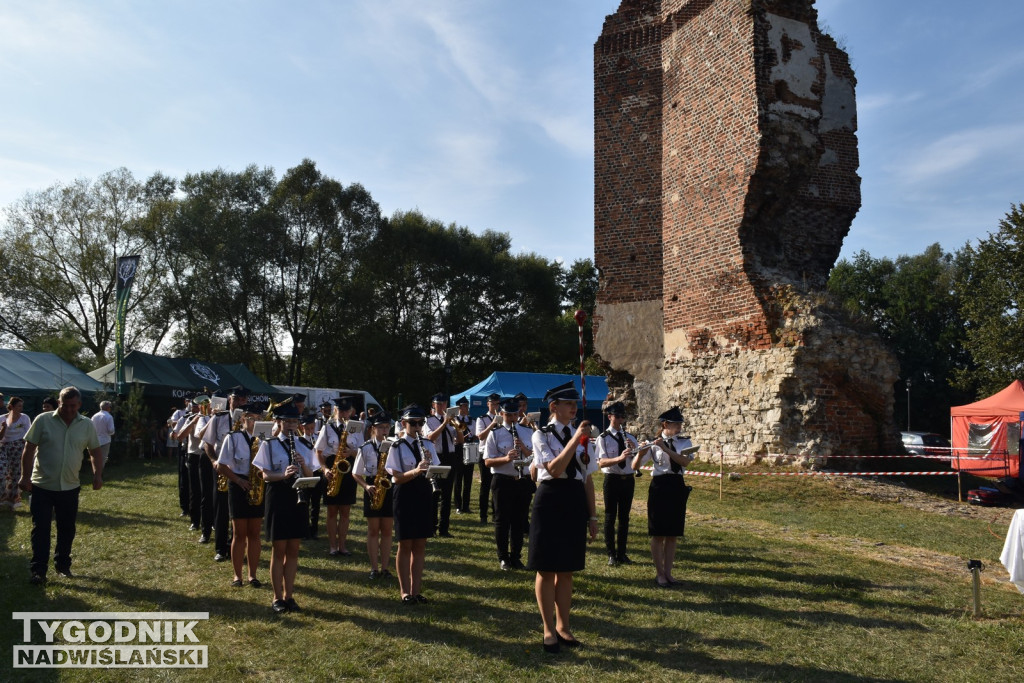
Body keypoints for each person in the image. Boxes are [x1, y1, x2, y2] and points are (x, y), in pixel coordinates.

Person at [529, 381, 598, 653]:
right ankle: (548, 628)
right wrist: (575, 439)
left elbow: (588, 479)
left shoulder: (583, 437)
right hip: (549, 498)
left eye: (575, 404)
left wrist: (592, 517)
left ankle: (564, 626)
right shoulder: (541, 435)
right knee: (546, 568)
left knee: (567, 569)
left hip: (573, 500)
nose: (574, 408)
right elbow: (555, 469)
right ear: (554, 407)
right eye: (568, 404)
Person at [19, 386, 103, 584]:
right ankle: (39, 570)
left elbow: (95, 452)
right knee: (40, 529)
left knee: (67, 529)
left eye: (73, 406)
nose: (69, 410)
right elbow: (29, 449)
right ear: (59, 403)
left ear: (80, 405)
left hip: (70, 487)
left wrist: (97, 475)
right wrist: (24, 477)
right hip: (42, 485)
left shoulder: (87, 425)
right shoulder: (43, 420)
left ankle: (63, 565)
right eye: (65, 405)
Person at [253, 402, 316, 613]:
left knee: (294, 549)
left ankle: (290, 595)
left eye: (294, 421)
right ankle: (277, 597)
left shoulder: (304, 445)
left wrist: (303, 464)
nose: (291, 425)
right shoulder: (269, 444)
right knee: (279, 550)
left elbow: (311, 475)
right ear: (278, 423)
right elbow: (265, 475)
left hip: (298, 498)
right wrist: (283, 475)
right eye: (287, 421)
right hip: (278, 497)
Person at [631, 407, 695, 589]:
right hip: (659, 486)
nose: (680, 426)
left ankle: (669, 573)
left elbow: (684, 462)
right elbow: (635, 466)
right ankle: (659, 574)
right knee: (658, 533)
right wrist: (642, 453)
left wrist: (665, 448)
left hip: (676, 485)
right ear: (665, 424)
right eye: (676, 423)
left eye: (680, 423)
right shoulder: (653, 443)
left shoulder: (684, 442)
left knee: (673, 533)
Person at [386, 404, 439, 604]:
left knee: (420, 544)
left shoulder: (428, 444)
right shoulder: (396, 446)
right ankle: (405, 591)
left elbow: (436, 467)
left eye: (420, 423)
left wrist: (432, 470)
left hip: (423, 493)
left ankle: (416, 590)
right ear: (404, 423)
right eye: (413, 423)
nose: (417, 427)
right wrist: (416, 471)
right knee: (405, 543)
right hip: (405, 494)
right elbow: (396, 478)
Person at [216, 403, 265, 588]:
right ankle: (237, 576)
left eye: (258, 418)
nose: (255, 421)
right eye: (251, 417)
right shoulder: (234, 437)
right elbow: (221, 466)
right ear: (243, 419)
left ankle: (252, 575)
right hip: (239, 484)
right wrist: (238, 480)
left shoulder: (264, 438)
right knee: (239, 533)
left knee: (255, 533)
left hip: (257, 484)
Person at [483, 398, 534, 570]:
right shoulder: (495, 433)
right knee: (502, 520)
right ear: (501, 414)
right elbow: (487, 462)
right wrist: (506, 458)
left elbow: (535, 458)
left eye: (514, 414)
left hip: (522, 480)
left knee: (519, 520)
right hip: (502, 481)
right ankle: (503, 557)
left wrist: (524, 449)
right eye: (508, 415)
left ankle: (516, 556)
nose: (512, 418)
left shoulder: (528, 431)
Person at [203, 387, 249, 562]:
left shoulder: (249, 420)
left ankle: (235, 548)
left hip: (241, 470)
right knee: (221, 509)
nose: (239, 403)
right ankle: (221, 548)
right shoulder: (219, 417)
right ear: (229, 399)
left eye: (243, 400)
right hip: (222, 469)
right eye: (236, 399)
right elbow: (207, 443)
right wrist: (214, 460)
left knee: (239, 512)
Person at [596, 401, 640, 566]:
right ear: (610, 417)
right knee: (610, 516)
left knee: (624, 518)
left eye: (623, 416)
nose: (621, 420)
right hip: (612, 479)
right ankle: (611, 554)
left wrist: (636, 451)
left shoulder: (630, 438)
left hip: (628, 480)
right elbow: (601, 462)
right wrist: (620, 458)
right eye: (618, 416)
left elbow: (637, 461)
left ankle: (622, 553)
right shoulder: (603, 438)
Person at [352, 412, 394, 579]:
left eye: (387, 427)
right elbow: (355, 473)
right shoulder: (366, 447)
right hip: (373, 487)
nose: (384, 430)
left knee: (387, 530)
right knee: (373, 530)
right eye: (381, 427)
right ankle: (374, 568)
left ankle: (385, 567)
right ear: (373, 429)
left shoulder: (394, 446)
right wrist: (366, 485)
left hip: (388, 486)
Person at [315, 398, 360, 555]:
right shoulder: (327, 428)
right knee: (332, 511)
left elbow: (362, 451)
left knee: (345, 511)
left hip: (348, 467)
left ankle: (342, 545)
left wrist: (351, 452)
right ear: (336, 411)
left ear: (351, 411)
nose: (344, 414)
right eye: (341, 411)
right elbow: (319, 452)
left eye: (347, 411)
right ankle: (333, 546)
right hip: (332, 467)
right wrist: (324, 469)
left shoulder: (356, 427)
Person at [423, 393, 462, 537]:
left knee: (447, 494)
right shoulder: (429, 420)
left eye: (444, 403)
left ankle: (444, 528)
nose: (442, 406)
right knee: (435, 492)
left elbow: (461, 440)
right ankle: (431, 527)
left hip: (451, 457)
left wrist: (457, 427)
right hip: (436, 457)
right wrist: (444, 423)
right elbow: (430, 437)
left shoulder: (453, 419)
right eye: (438, 404)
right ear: (433, 405)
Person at [174, 395, 210, 535]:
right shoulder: (190, 418)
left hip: (207, 456)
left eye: (200, 406)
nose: (198, 408)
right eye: (195, 406)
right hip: (194, 455)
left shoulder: (212, 418)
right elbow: (180, 437)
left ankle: (209, 521)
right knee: (195, 490)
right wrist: (194, 420)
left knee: (207, 491)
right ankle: (195, 521)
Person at [474, 393, 502, 524]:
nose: (495, 406)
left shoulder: (502, 417)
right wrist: (493, 424)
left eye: (497, 403)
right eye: (493, 403)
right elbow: (480, 436)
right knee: (485, 485)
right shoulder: (482, 419)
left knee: (496, 486)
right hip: (485, 454)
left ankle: (496, 513)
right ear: (488, 404)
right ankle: (483, 515)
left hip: (499, 454)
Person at [1, 396, 32, 510]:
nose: (21, 408)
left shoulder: (24, 418)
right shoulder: (2, 418)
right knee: (2, 472)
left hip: (19, 447)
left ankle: (12, 501)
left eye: (21, 406)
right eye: (19, 406)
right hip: (4, 447)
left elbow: (28, 433)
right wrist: (3, 428)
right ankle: (2, 498)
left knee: (16, 474)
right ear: (11, 407)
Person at [167, 396, 191, 519]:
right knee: (183, 478)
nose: (191, 403)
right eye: (189, 401)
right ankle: (185, 507)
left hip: (195, 450)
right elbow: (172, 426)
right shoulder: (181, 413)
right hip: (184, 446)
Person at [452, 396, 474, 515]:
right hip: (458, 450)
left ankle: (466, 505)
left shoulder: (471, 420)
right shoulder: (454, 419)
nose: (465, 408)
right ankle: (458, 506)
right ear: (459, 407)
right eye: (463, 406)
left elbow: (474, 434)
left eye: (467, 406)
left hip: (469, 449)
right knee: (458, 479)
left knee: (468, 479)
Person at [91, 401, 116, 468]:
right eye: (110, 407)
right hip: (105, 440)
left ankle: (95, 473)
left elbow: (91, 428)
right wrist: (112, 433)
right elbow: (111, 430)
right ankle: (99, 474)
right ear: (108, 408)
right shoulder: (109, 417)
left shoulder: (94, 416)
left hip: (95, 440)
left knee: (95, 458)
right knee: (103, 458)